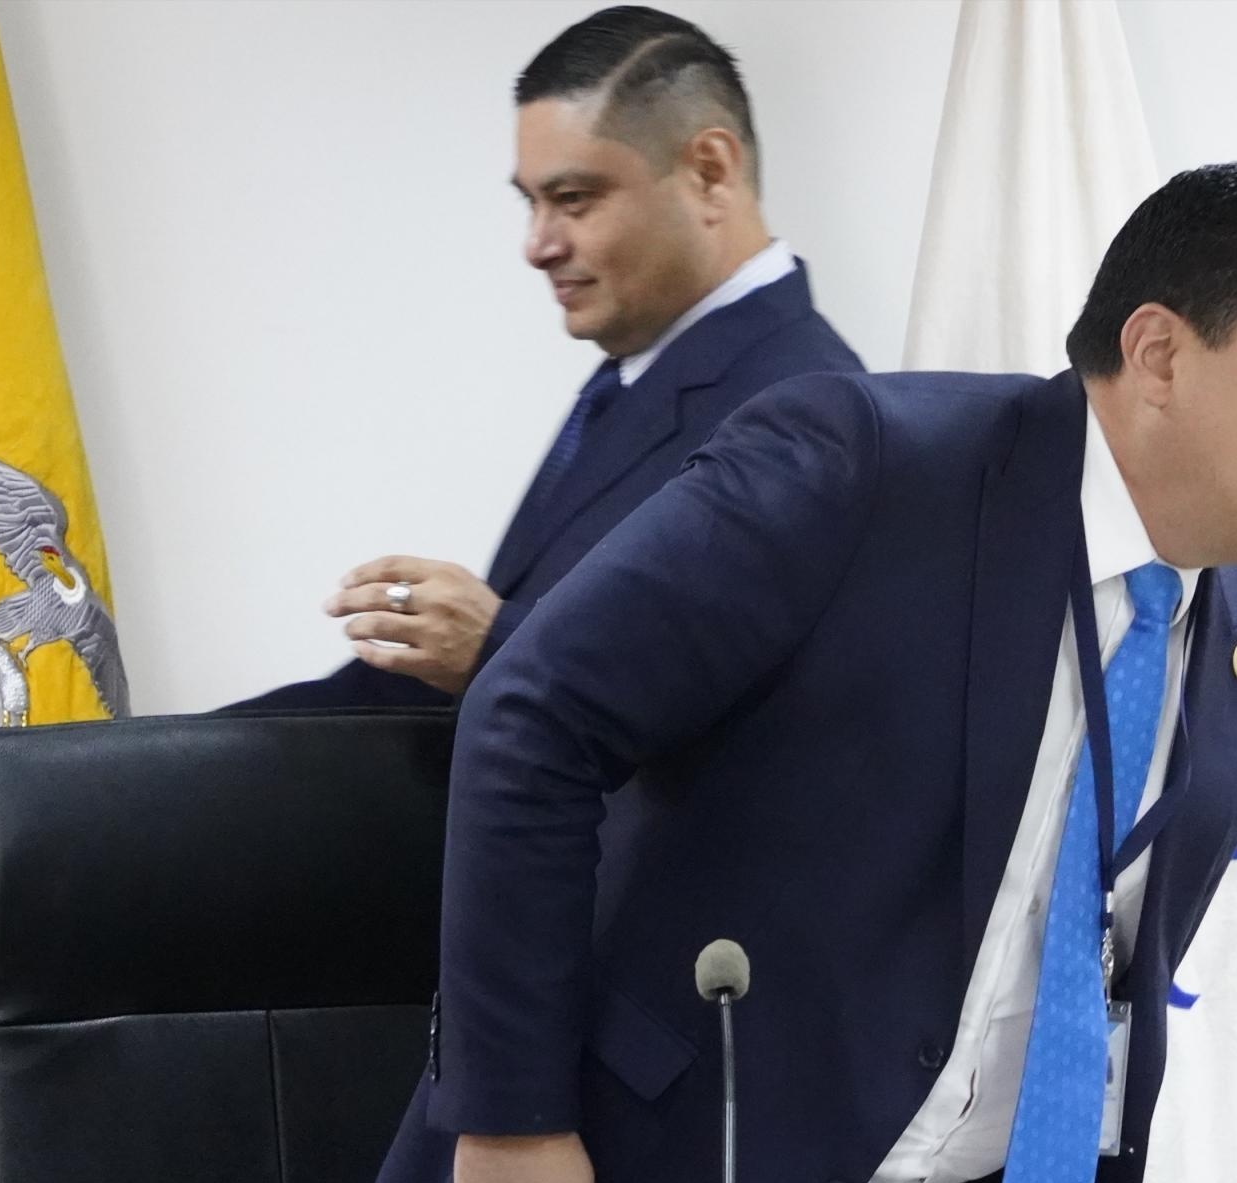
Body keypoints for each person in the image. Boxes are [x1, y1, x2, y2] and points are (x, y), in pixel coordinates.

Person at [365, 163, 1237, 1183]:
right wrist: (513, 1117)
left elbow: (1093, 979)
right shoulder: (866, 464)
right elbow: (535, 717)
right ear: (1157, 352)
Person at [238, 6, 861, 710]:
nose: (537, 246)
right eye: (532, 202)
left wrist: (492, 643)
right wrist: (158, 757)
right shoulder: (636, 374)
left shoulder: (803, 406)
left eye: (573, 199)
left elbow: (728, 714)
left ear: (710, 174)